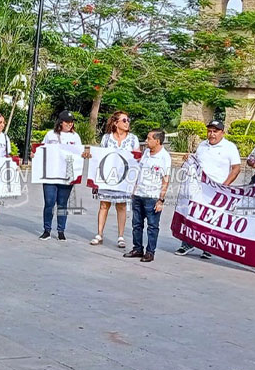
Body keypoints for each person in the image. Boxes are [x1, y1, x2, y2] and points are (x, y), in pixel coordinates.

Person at [176, 119, 241, 258]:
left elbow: (236, 168)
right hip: (198, 187)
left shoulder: (230, 147)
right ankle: (187, 243)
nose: (211, 134)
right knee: (192, 214)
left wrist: (225, 186)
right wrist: (190, 157)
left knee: (211, 217)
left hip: (216, 188)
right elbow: (198, 161)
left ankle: (208, 247)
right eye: (209, 131)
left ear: (222, 133)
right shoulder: (202, 145)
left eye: (215, 131)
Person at [88, 111, 140, 248]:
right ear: (116, 123)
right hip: (107, 176)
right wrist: (95, 179)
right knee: (104, 204)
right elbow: (100, 157)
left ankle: (121, 236)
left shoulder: (133, 139)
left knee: (121, 205)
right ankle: (99, 233)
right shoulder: (106, 138)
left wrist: (135, 181)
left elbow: (137, 159)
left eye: (128, 120)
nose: (127, 122)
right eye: (124, 120)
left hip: (124, 178)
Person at [125, 130, 171, 262]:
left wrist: (161, 200)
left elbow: (166, 179)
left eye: (149, 138)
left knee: (152, 226)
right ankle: (137, 248)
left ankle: (150, 252)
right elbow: (139, 171)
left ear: (157, 141)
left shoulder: (164, 157)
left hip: (152, 197)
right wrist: (134, 190)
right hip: (139, 194)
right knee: (137, 224)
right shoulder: (146, 153)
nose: (146, 140)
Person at [39, 111, 82, 241]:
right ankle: (47, 229)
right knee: (49, 202)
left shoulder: (75, 137)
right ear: (60, 122)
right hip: (50, 174)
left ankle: (61, 230)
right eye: (67, 122)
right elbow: (42, 149)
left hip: (66, 175)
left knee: (62, 204)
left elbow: (79, 153)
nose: (70, 124)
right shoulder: (50, 135)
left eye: (71, 122)